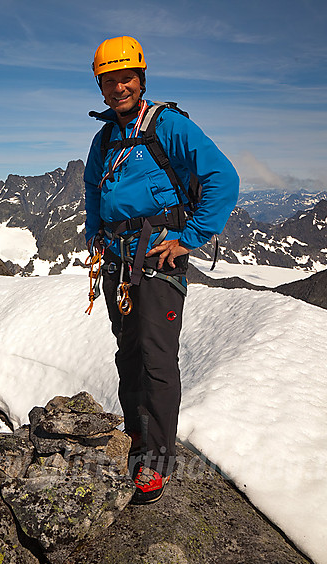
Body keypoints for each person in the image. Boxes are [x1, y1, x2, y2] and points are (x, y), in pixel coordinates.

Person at [84, 36, 239, 504]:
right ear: (101, 86)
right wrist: (95, 232)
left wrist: (190, 237)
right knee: (128, 351)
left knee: (154, 356)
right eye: (110, 80)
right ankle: (137, 439)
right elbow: (94, 187)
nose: (119, 87)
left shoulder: (168, 125)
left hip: (156, 257)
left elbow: (223, 178)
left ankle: (157, 459)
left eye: (126, 78)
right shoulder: (105, 135)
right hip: (116, 258)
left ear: (141, 79)